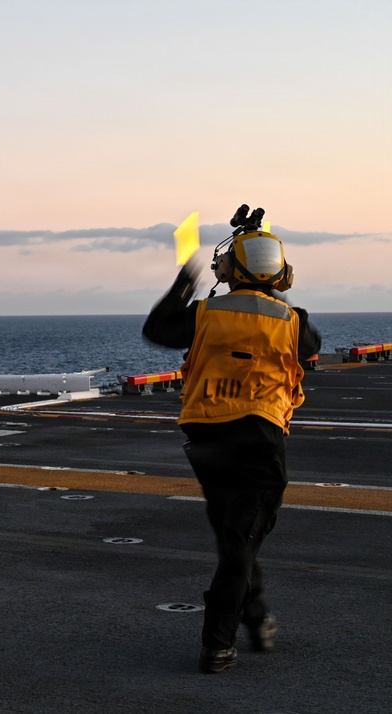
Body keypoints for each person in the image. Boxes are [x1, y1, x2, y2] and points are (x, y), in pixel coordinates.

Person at [142, 205, 321, 674]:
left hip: (205, 441)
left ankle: (257, 618)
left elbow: (157, 330)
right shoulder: (293, 320)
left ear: (228, 268)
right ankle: (217, 644)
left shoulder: (204, 313)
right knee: (242, 540)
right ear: (279, 270)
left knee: (235, 538)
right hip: (259, 440)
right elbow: (312, 349)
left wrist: (188, 276)